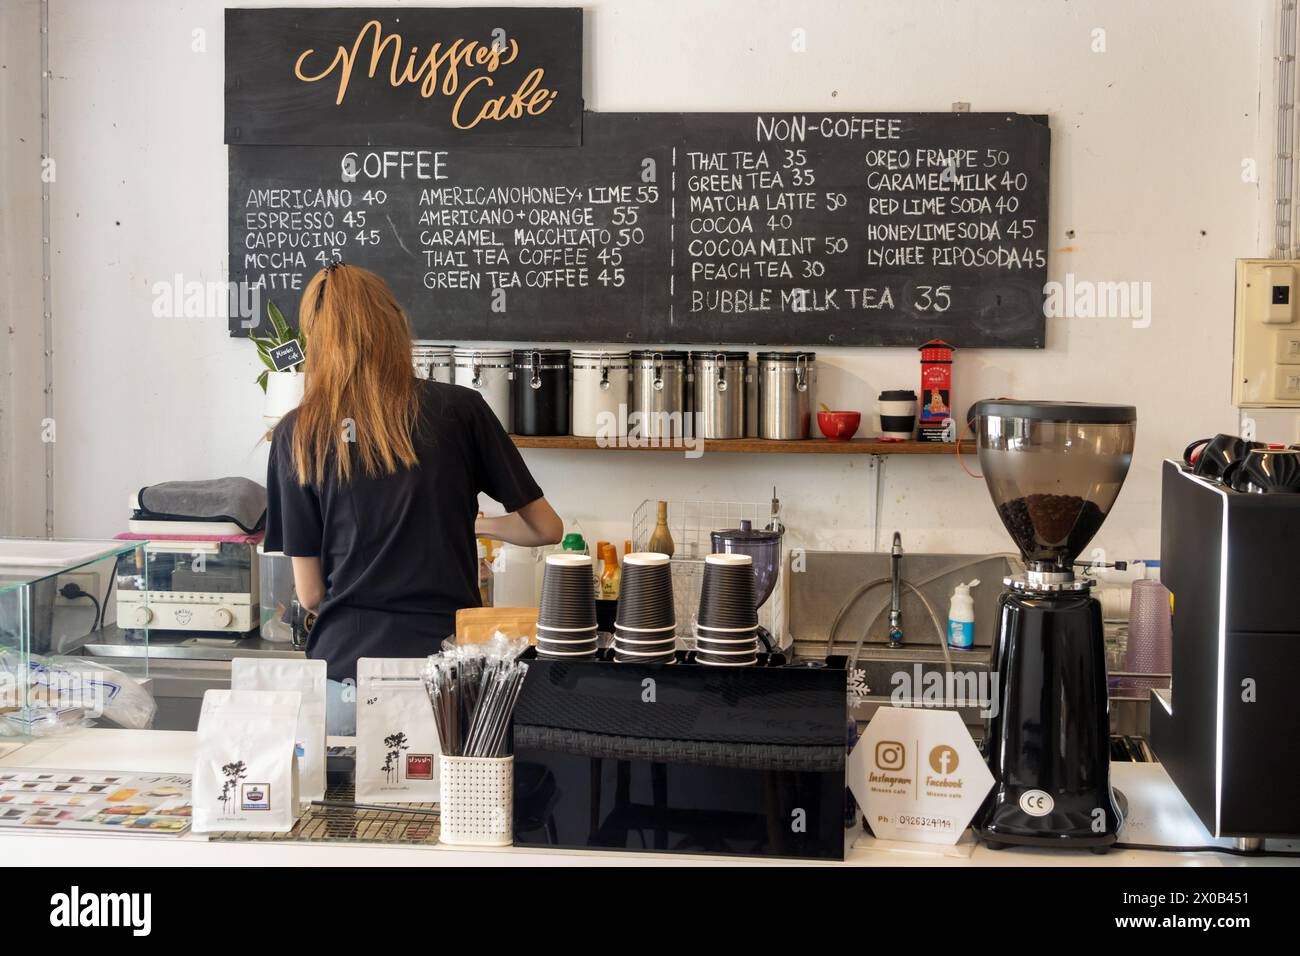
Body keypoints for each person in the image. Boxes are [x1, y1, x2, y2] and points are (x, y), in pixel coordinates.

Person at [263, 263, 563, 734]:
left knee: (343, 809)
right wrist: (475, 525)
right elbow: (547, 529)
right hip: (446, 676)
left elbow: (311, 593)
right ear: (393, 325)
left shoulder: (297, 434)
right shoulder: (459, 410)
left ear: (315, 340)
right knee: (460, 806)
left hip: (346, 676)